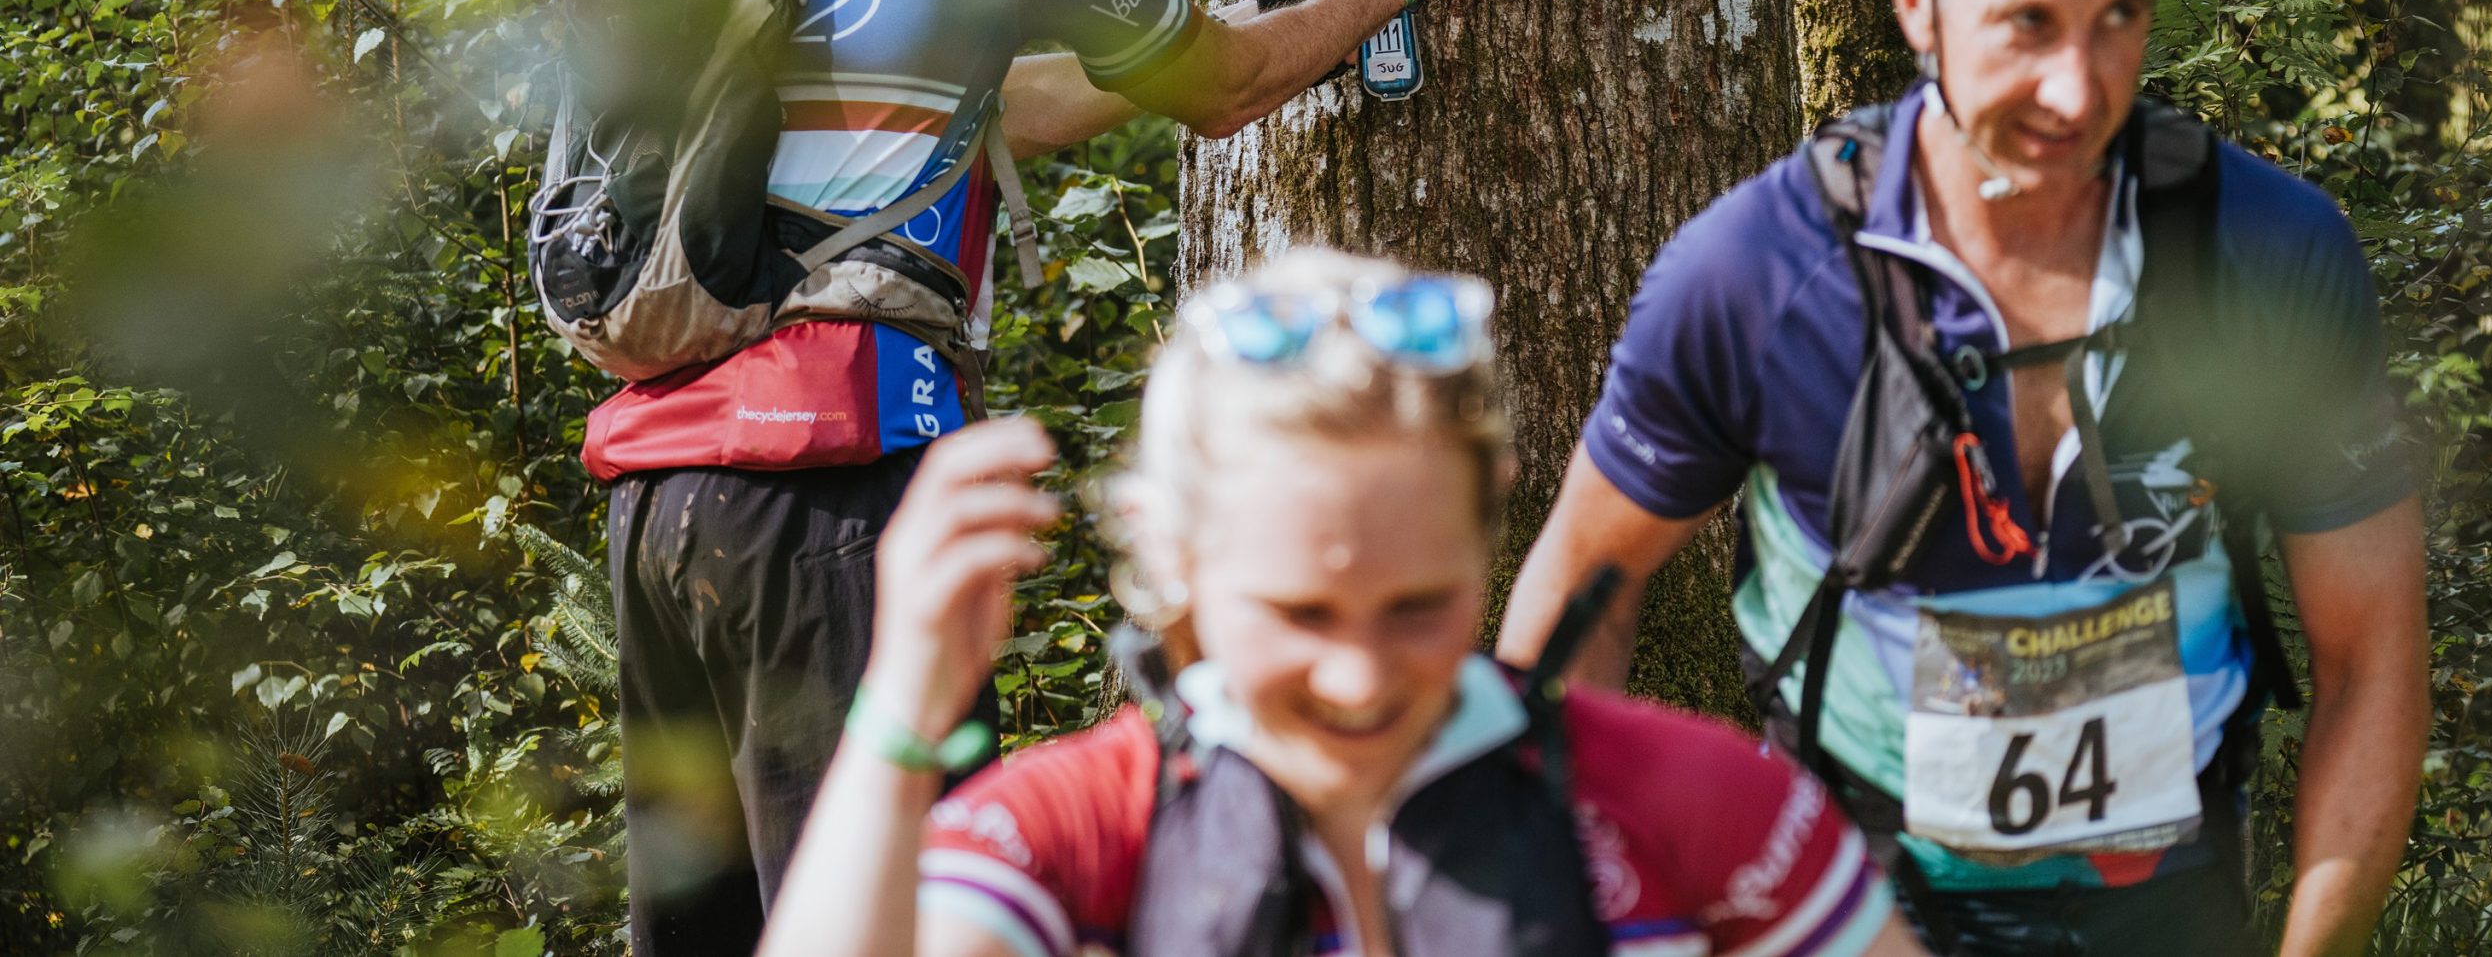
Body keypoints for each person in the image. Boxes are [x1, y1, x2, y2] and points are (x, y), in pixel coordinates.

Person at [597, 0, 1498, 955]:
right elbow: (1225, 88)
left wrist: (1238, 36)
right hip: (836, 485)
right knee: (895, 917)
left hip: (657, 499)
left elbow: (982, 108)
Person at [1497, 0, 2428, 957]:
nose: (2075, 90)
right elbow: (1576, 599)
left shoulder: (2266, 253)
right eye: (2026, 22)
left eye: (2119, 17)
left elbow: (2370, 655)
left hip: (2170, 894)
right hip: (1845, 898)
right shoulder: (1757, 273)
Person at [759, 246, 1928, 957]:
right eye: (1301, 614)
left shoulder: (1701, 808)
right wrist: (902, 714)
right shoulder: (1080, 833)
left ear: (1488, 532)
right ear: (1172, 561)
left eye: (1418, 604)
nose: (1361, 677)